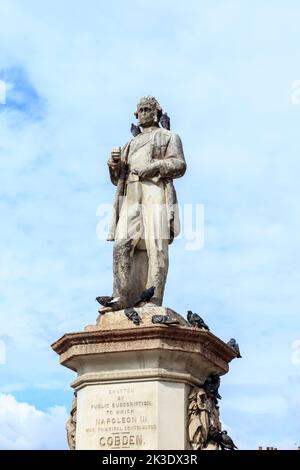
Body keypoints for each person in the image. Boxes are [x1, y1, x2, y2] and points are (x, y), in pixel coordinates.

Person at [106, 96, 186, 309]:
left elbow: (179, 165)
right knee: (121, 243)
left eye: (146, 109)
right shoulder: (130, 144)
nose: (142, 113)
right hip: (131, 192)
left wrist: (155, 167)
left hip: (156, 189)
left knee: (156, 244)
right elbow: (117, 179)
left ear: (156, 112)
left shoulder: (168, 136)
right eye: (139, 110)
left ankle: (153, 298)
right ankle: (120, 296)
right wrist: (114, 164)